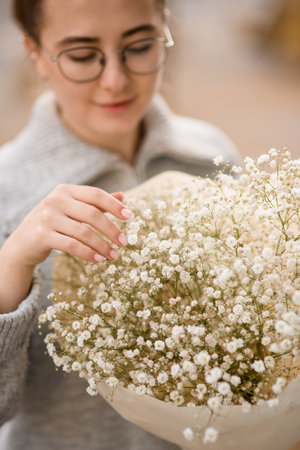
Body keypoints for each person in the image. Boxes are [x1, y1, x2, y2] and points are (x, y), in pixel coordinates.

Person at [0, 0, 241, 449]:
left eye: (139, 46)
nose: (115, 79)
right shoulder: (7, 189)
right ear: (35, 52)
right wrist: (13, 262)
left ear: (166, 29)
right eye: (82, 56)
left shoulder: (211, 153)